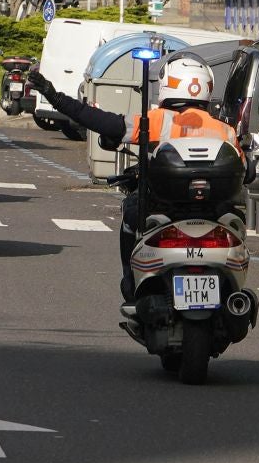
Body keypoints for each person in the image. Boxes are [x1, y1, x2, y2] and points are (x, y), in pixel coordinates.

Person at [27, 55, 242, 302]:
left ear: (167, 84)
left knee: (131, 213)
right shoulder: (225, 129)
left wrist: (54, 96)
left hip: (162, 207)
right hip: (213, 213)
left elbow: (100, 121)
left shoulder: (157, 120)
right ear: (207, 87)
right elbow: (244, 172)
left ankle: (130, 280)